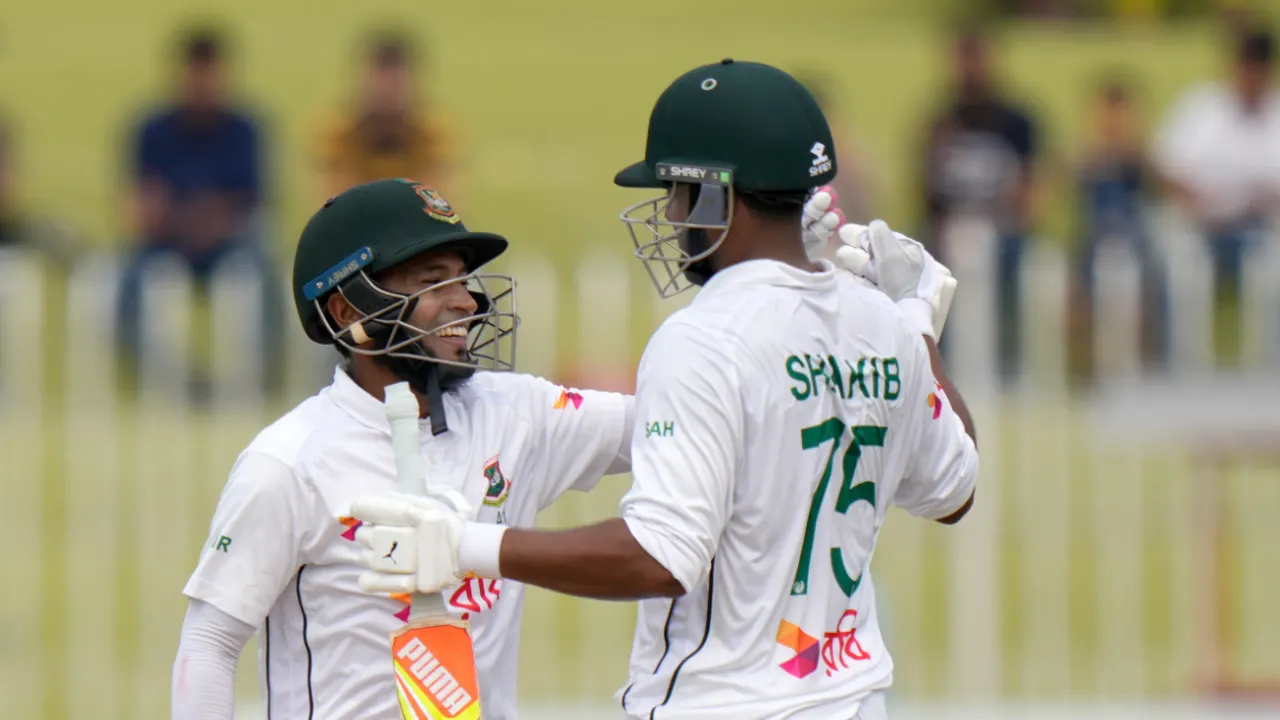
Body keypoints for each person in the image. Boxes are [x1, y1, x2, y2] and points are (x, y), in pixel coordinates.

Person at [349, 60, 979, 719]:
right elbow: (954, 490)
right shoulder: (881, 325)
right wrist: (916, 323)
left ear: (719, 198)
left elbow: (662, 555)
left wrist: (463, 546)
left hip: (723, 704)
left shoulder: (703, 337)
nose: (671, 212)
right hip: (851, 701)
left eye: (677, 190)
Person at [170, 178, 637, 719]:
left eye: (464, 279)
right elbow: (209, 644)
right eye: (433, 282)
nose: (465, 301)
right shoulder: (290, 461)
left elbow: (678, 427)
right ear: (348, 312)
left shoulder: (516, 414)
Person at [116, 24, 277, 394]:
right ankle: (163, 379)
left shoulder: (243, 129)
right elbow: (141, 205)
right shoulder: (152, 130)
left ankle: (260, 373)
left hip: (229, 238)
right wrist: (188, 218)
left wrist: (205, 217)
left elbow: (252, 202)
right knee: (129, 279)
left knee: (264, 269)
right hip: (169, 237)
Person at [920, 24, 1041, 384]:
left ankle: (1010, 361)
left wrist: (1007, 218)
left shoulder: (1017, 121)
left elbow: (1033, 184)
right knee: (924, 265)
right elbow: (928, 189)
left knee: (1014, 259)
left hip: (1003, 225)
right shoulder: (940, 120)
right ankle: (940, 362)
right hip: (949, 225)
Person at [1153, 24, 1280, 365]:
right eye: (1243, 65)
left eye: (1257, 67)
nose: (1249, 75)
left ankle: (1270, 368)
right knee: (1177, 261)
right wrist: (1195, 196)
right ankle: (1175, 361)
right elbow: (1164, 169)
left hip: (1260, 230)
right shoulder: (1200, 108)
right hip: (1200, 228)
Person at [314, 30, 456, 200]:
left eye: (396, 85)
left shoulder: (432, 133)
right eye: (382, 85)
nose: (388, 94)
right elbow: (334, 201)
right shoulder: (339, 131)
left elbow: (441, 201)